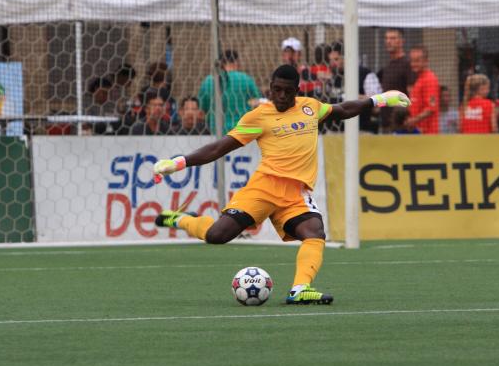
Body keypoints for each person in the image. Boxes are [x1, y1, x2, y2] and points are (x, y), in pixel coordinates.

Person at [152, 65, 410, 305]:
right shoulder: (258, 117)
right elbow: (220, 147)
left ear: (297, 91)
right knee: (217, 236)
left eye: (288, 91)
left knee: (314, 232)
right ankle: (181, 219)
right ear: (270, 88)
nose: (282, 95)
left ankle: (300, 289)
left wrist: (380, 99)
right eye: (277, 90)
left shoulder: (310, 108)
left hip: (295, 193)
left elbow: (343, 110)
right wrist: (179, 163)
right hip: (263, 188)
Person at [198, 49, 262, 134]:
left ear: (221, 63)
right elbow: (257, 103)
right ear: (236, 62)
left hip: (217, 130)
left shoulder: (209, 81)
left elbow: (202, 108)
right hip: (243, 131)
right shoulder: (246, 79)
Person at [327, 40, 383, 133]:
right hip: (336, 132)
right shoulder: (334, 77)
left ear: (346, 57)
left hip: (361, 131)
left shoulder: (366, 74)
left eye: (336, 59)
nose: (332, 63)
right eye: (330, 60)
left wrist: (354, 96)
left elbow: (378, 104)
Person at [377, 28, 415, 133]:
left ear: (402, 41)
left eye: (393, 38)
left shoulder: (407, 64)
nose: (388, 41)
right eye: (387, 38)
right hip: (386, 123)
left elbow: (412, 95)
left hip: (401, 125)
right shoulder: (387, 67)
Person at [406, 45, 440, 134]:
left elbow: (431, 108)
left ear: (426, 61)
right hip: (418, 132)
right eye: (412, 61)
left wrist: (413, 120)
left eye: (417, 61)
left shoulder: (429, 79)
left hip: (427, 134)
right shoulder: (419, 79)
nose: (413, 64)